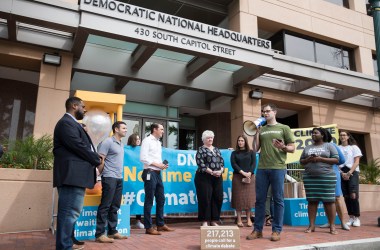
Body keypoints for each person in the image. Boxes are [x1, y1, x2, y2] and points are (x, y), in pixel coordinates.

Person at [53, 97, 103, 250]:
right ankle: (64, 246)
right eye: (83, 106)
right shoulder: (66, 123)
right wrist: (96, 159)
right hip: (71, 177)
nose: (85, 109)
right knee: (69, 214)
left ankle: (67, 244)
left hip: (75, 177)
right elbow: (77, 145)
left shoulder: (73, 124)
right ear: (74, 106)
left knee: (71, 213)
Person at [246, 103, 295, 242]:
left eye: (267, 111)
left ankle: (276, 230)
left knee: (278, 199)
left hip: (278, 167)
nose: (265, 114)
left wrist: (283, 146)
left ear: (275, 112)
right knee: (260, 200)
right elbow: (255, 149)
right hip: (262, 168)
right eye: (263, 112)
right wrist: (255, 134)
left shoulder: (284, 128)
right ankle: (258, 230)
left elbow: (292, 148)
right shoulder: (262, 129)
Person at [300, 127, 339, 235]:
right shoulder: (307, 147)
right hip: (310, 178)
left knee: (329, 201)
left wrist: (320, 159)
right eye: (312, 133)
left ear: (322, 135)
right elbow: (301, 161)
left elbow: (336, 159)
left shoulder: (329, 146)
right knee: (312, 201)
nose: (313, 135)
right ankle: (311, 226)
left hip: (326, 177)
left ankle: (332, 226)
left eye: (315, 133)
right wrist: (308, 159)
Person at [95, 121, 128, 243]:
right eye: (123, 128)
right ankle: (99, 234)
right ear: (116, 129)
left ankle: (112, 231)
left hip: (119, 178)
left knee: (115, 205)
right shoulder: (108, 142)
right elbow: (100, 159)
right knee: (105, 205)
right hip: (109, 177)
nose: (125, 130)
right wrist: (100, 174)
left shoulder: (121, 144)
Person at [140, 123, 174, 235]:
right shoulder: (147, 141)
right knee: (149, 199)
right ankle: (148, 227)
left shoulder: (158, 143)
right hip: (149, 172)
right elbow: (143, 158)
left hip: (158, 173)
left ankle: (160, 224)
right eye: (161, 129)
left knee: (161, 198)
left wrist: (162, 165)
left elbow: (154, 158)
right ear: (155, 129)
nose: (163, 131)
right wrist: (157, 165)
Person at [319, 131, 350, 231]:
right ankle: (330, 222)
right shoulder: (316, 146)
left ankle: (343, 222)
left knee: (337, 198)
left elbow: (341, 160)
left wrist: (329, 161)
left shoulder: (332, 145)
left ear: (324, 135)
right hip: (321, 175)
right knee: (326, 199)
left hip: (333, 173)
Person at [195, 130, 225, 227]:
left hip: (217, 177)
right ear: (204, 140)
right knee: (205, 198)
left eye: (211, 137)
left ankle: (214, 220)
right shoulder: (201, 150)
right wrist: (212, 172)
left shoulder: (216, 149)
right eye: (208, 138)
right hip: (204, 177)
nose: (210, 139)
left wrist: (220, 171)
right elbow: (201, 164)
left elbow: (222, 162)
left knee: (218, 197)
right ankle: (204, 221)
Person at [230, 135, 256, 227]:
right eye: (239, 141)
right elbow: (234, 164)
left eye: (242, 140)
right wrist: (242, 172)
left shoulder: (251, 152)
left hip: (250, 177)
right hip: (238, 177)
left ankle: (249, 219)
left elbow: (253, 164)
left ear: (245, 141)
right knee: (238, 199)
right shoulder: (234, 153)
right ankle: (239, 219)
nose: (240, 142)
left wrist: (249, 172)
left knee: (249, 199)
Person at [338, 130, 363, 227]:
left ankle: (357, 218)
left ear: (348, 137)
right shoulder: (338, 148)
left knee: (353, 195)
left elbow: (356, 161)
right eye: (341, 135)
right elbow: (337, 162)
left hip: (352, 171)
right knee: (346, 196)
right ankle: (351, 217)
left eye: (344, 135)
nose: (342, 136)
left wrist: (349, 173)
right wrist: (342, 173)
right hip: (342, 172)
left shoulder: (354, 147)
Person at [127, 134, 144, 229]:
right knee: (128, 199)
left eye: (139, 139)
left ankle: (138, 220)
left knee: (139, 200)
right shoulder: (127, 150)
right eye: (136, 139)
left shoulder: (142, 150)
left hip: (139, 178)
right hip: (129, 178)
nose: (138, 140)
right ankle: (126, 220)